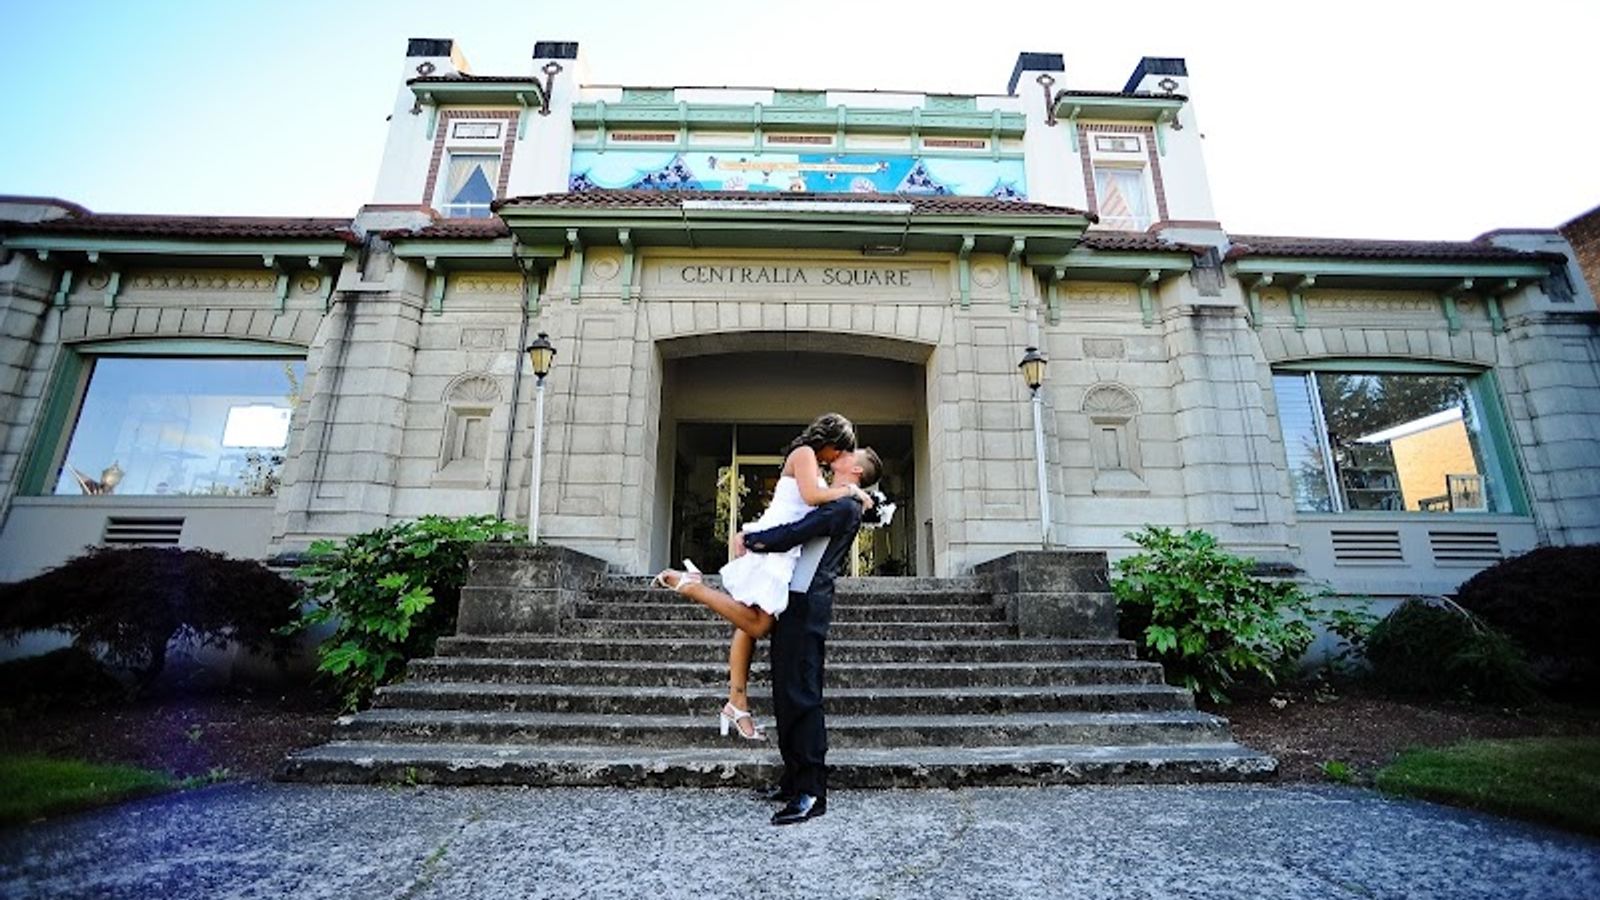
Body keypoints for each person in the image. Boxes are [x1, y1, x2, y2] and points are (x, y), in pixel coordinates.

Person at [661, 445, 883, 825]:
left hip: (808, 605)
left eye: (850, 454)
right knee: (785, 694)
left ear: (857, 472)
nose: (840, 454)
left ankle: (812, 791)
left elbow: (794, 533)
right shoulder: (839, 499)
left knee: (803, 698)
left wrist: (751, 539)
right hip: (791, 601)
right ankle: (793, 781)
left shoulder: (845, 507)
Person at [656, 413, 870, 742]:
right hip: (772, 546)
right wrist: (851, 491)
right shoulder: (805, 455)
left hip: (780, 549)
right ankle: (693, 588)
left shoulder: (814, 462)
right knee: (758, 624)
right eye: (839, 451)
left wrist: (850, 492)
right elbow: (812, 497)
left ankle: (736, 702)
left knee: (748, 626)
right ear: (828, 442)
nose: (837, 458)